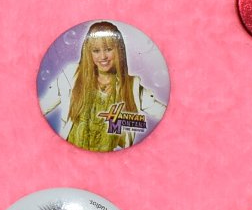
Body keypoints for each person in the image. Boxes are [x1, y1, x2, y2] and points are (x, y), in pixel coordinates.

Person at [40, 22, 166, 151]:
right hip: (71, 153)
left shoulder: (131, 85)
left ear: (119, 50)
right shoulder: (71, 75)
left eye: (109, 49)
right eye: (96, 51)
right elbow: (43, 106)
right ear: (89, 53)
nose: (103, 57)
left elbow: (162, 112)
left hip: (108, 158)